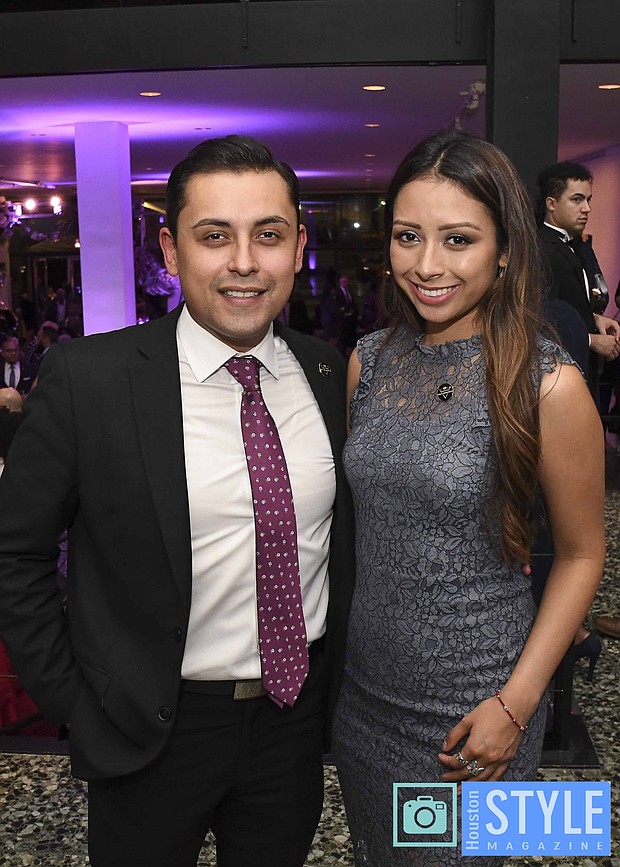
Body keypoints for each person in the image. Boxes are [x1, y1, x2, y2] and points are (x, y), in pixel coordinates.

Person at [0, 135, 355, 867]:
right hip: (150, 729)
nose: (244, 262)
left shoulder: (327, 372)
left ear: (297, 247)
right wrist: (77, 702)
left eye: (268, 235)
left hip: (292, 726)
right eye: (214, 236)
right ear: (171, 250)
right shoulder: (91, 380)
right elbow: (16, 554)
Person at [332, 130, 604, 865]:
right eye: (408, 237)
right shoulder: (370, 361)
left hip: (477, 712)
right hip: (365, 699)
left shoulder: (549, 383)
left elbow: (583, 556)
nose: (427, 265)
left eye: (458, 239)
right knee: (379, 853)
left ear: (506, 249)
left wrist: (516, 705)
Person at [537, 161, 620, 397]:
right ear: (551, 203)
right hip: (556, 381)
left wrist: (595, 318)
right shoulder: (540, 248)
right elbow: (535, 318)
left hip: (580, 373)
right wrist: (590, 340)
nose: (587, 209)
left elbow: (566, 303)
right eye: (577, 200)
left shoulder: (577, 247)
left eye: (588, 200)